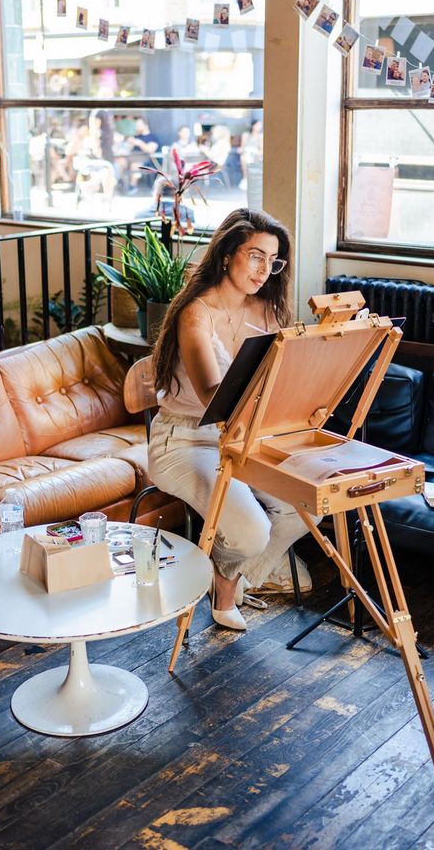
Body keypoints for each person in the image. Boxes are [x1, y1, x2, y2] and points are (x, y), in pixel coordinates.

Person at [148, 209, 316, 630]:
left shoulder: (268, 311)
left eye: (273, 260)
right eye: (255, 255)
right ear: (227, 254)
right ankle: (226, 591)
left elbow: (281, 381)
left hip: (242, 437)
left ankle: (233, 578)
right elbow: (213, 395)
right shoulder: (196, 313)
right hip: (186, 441)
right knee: (251, 532)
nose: (265, 270)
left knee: (306, 503)